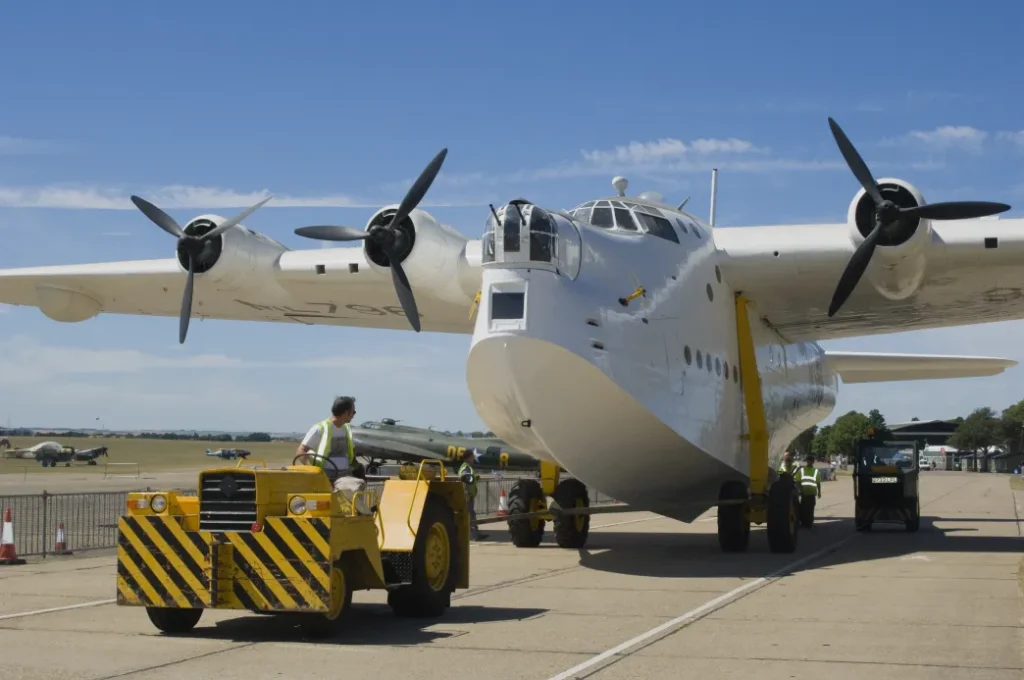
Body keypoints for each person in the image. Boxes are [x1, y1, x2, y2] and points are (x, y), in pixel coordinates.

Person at [296, 396, 369, 512]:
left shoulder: (347, 429)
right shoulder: (320, 429)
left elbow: (350, 452)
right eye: (353, 412)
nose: (354, 415)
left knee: (351, 507)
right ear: (346, 412)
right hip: (325, 477)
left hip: (345, 475)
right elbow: (301, 450)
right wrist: (313, 471)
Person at [458, 450, 486, 541]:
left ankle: (475, 534)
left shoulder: (468, 467)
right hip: (467, 496)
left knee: (471, 514)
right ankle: (472, 536)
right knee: (469, 515)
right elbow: (464, 478)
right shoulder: (466, 467)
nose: (473, 458)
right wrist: (466, 494)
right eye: (472, 457)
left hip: (469, 495)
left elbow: (470, 477)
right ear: (468, 457)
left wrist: (475, 478)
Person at [796, 453, 822, 526]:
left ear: (813, 462)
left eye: (811, 461)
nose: (809, 462)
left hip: (812, 494)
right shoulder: (802, 470)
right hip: (804, 493)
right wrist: (798, 491)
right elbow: (798, 481)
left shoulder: (816, 471)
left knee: (810, 509)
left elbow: (818, 483)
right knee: (803, 508)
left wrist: (819, 492)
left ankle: (809, 522)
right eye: (808, 461)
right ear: (807, 461)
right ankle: (804, 522)